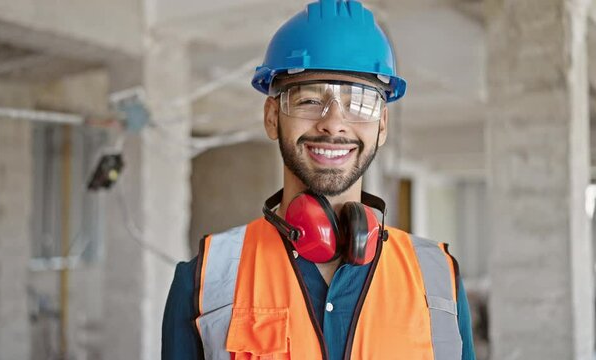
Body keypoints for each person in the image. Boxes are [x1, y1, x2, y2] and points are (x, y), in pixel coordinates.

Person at [162, 0, 476, 359]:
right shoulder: (205, 279)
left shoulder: (439, 279)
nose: (333, 123)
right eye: (309, 99)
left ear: (382, 125)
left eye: (359, 103)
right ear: (270, 117)